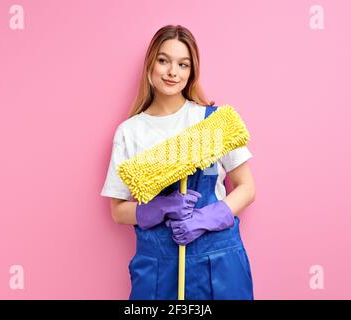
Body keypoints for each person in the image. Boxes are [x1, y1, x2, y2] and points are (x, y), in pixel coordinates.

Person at [101, 24, 256, 300]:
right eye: (164, 61)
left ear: (192, 71)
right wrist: (158, 208)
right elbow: (117, 210)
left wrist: (207, 217)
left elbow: (247, 188)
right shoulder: (131, 132)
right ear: (151, 64)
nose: (173, 72)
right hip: (158, 268)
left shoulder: (214, 122)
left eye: (183, 64)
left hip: (218, 262)